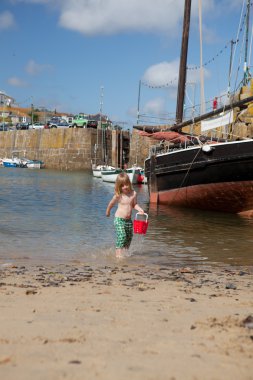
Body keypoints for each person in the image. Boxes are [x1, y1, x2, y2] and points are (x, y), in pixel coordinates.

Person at [106, 172, 144, 258]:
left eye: (126, 184)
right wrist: (108, 212)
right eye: (122, 186)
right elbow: (111, 204)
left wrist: (140, 209)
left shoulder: (133, 193)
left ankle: (125, 254)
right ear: (119, 187)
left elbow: (134, 204)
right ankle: (118, 255)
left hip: (128, 221)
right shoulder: (118, 195)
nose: (125, 187)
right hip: (119, 219)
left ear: (129, 183)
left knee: (129, 237)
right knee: (122, 236)